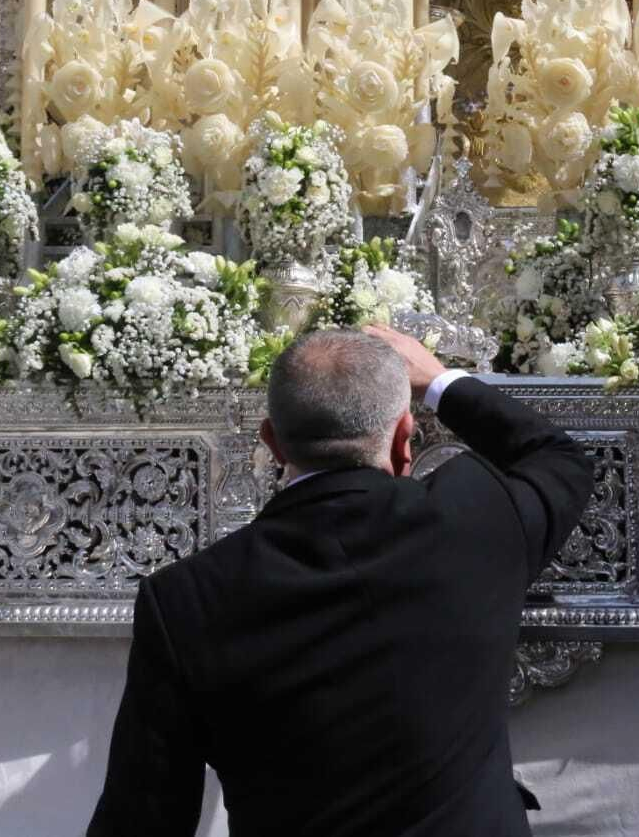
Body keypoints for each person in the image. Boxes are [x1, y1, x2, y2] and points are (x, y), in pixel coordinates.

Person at [87, 326, 596, 837]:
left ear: (271, 442)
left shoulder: (185, 598)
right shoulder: (476, 517)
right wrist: (439, 382)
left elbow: (143, 815)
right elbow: (559, 459)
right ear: (404, 437)